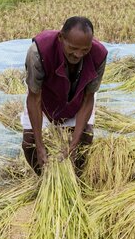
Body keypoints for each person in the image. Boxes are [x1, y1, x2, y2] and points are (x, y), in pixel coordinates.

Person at [22, 17, 107, 175]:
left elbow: (89, 98)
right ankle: (43, 179)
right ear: (61, 38)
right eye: (73, 48)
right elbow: (34, 98)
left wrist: (73, 144)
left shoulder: (98, 55)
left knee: (85, 138)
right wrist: (40, 146)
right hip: (46, 98)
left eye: (85, 50)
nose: (78, 55)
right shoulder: (38, 52)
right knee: (29, 143)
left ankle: (76, 179)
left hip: (78, 98)